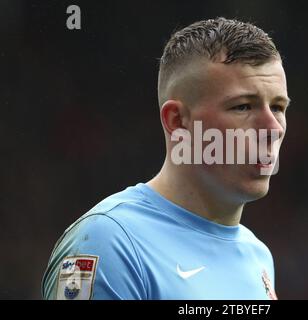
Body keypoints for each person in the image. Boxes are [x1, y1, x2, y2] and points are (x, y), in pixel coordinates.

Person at [42, 17, 289, 300]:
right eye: (243, 106)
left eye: (278, 107)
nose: (273, 128)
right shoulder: (108, 243)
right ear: (177, 121)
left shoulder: (257, 256)